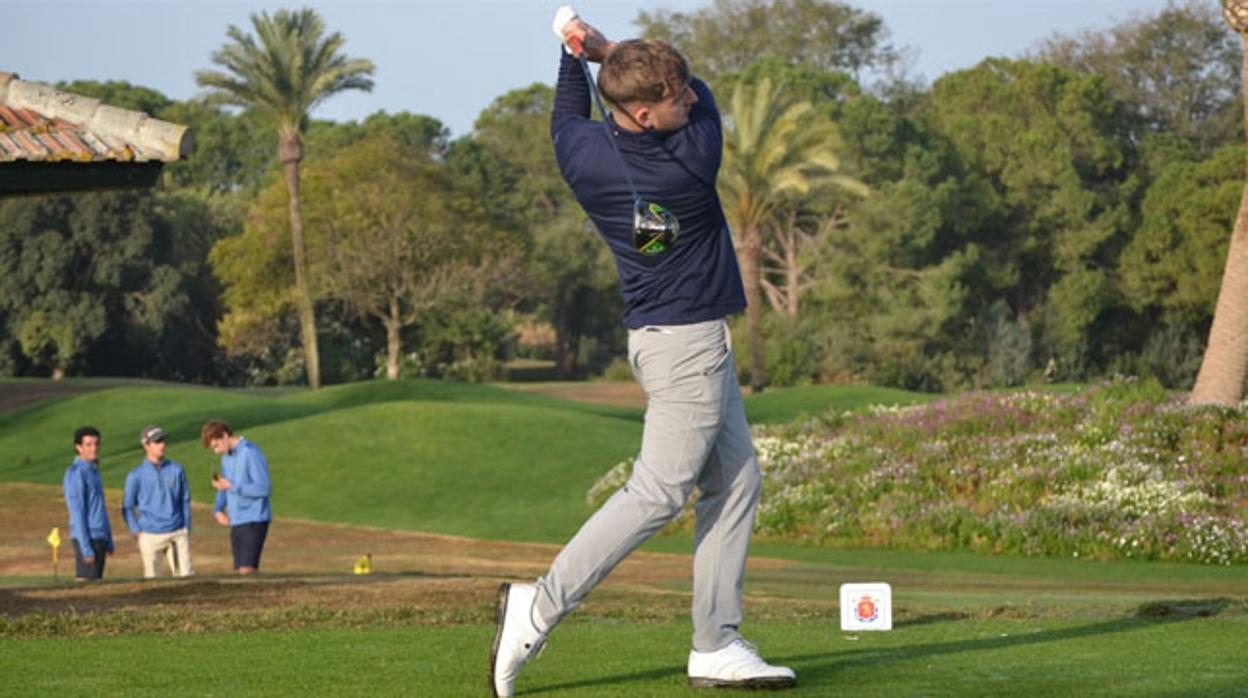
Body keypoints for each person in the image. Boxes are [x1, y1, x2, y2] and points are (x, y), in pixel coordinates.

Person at [489, 11, 795, 696]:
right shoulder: (693, 159)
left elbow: (569, 109)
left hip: (659, 338)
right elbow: (707, 97)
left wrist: (580, 55)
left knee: (737, 478)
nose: (692, 98)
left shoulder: (579, 154)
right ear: (651, 116)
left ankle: (716, 641)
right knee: (657, 492)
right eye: (677, 97)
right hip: (686, 344)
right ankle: (537, 608)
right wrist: (605, 51)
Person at [201, 419, 272, 575]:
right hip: (237, 519)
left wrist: (232, 487)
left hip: (254, 518)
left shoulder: (250, 452)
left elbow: (263, 488)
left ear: (225, 435)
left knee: (247, 570)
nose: (216, 451)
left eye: (216, 445)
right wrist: (218, 509)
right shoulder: (226, 457)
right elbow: (225, 485)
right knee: (241, 572)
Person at [122, 425, 193, 578]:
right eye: (157, 441)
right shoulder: (136, 475)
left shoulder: (177, 469)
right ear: (146, 445)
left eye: (163, 440)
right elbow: (127, 507)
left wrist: (186, 527)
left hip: (176, 532)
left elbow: (184, 500)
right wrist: (137, 532)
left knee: (185, 578)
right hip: (149, 535)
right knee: (153, 583)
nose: (162, 445)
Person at [62, 426, 115, 582]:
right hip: (88, 538)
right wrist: (85, 548)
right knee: (87, 588)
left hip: (99, 537)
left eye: (97, 444)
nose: (94, 448)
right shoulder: (76, 473)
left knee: (97, 584)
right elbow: (77, 512)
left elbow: (99, 508)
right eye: (89, 444)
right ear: (78, 447)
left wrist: (109, 538)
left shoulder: (93, 471)